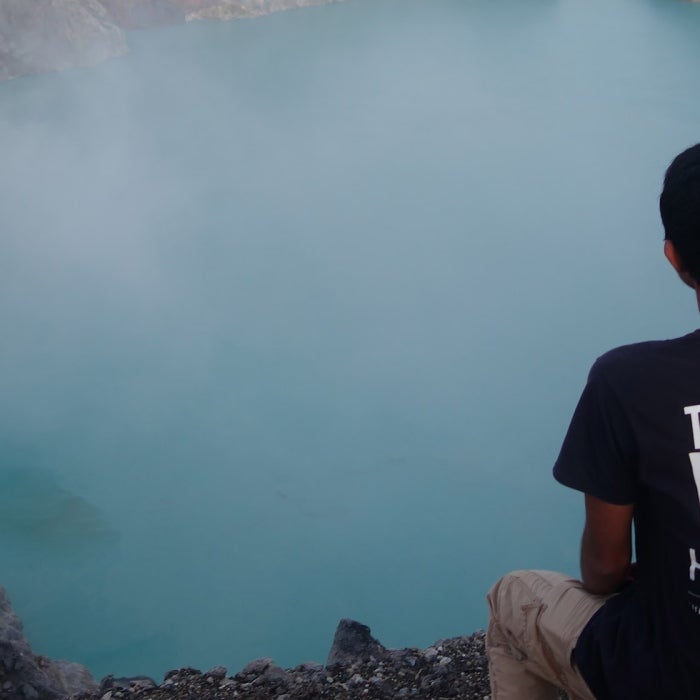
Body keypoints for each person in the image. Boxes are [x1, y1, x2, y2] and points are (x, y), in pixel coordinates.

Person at [485, 143, 700, 700]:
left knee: (514, 599)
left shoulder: (629, 382)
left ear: (674, 257)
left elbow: (605, 567)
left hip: (674, 675)